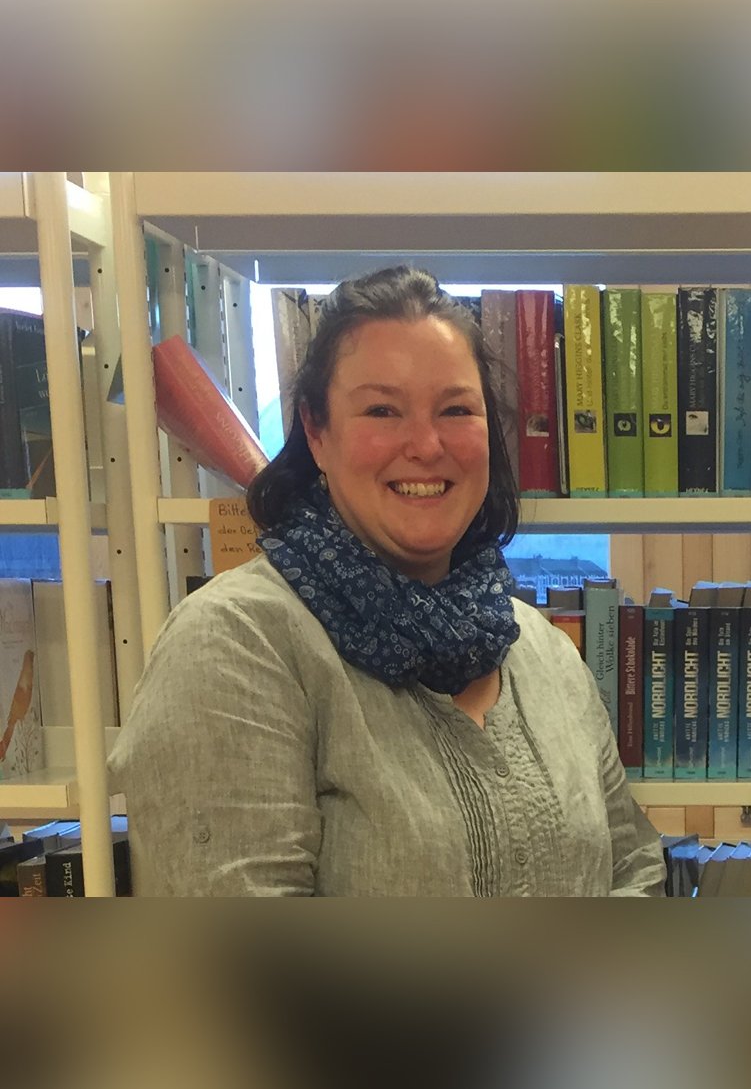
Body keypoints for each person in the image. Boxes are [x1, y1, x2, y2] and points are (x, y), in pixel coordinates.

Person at [109, 266, 665, 896]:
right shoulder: (233, 644)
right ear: (316, 432)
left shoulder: (543, 650)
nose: (425, 445)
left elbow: (635, 869)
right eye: (382, 410)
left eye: (456, 409)